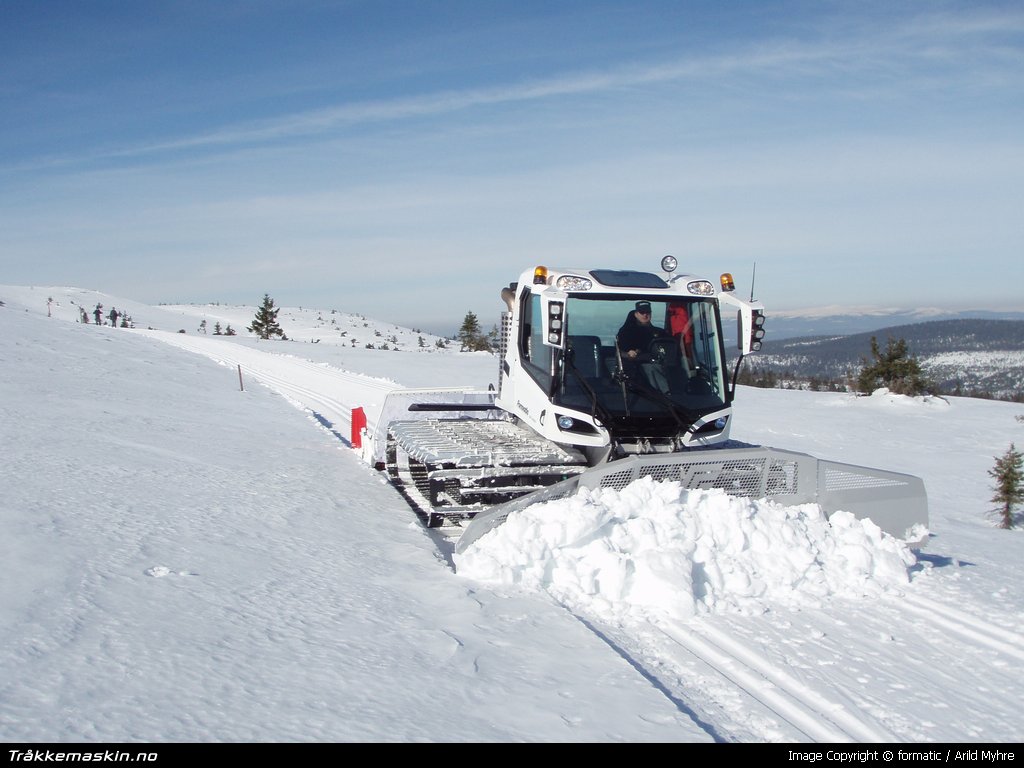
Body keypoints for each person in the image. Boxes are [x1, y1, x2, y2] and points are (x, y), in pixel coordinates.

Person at [617, 301, 671, 394]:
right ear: (636, 314)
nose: (645, 315)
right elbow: (620, 351)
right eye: (642, 313)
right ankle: (665, 394)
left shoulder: (660, 333)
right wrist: (629, 353)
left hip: (663, 364)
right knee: (650, 369)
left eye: (648, 313)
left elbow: (669, 349)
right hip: (636, 366)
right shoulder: (626, 332)